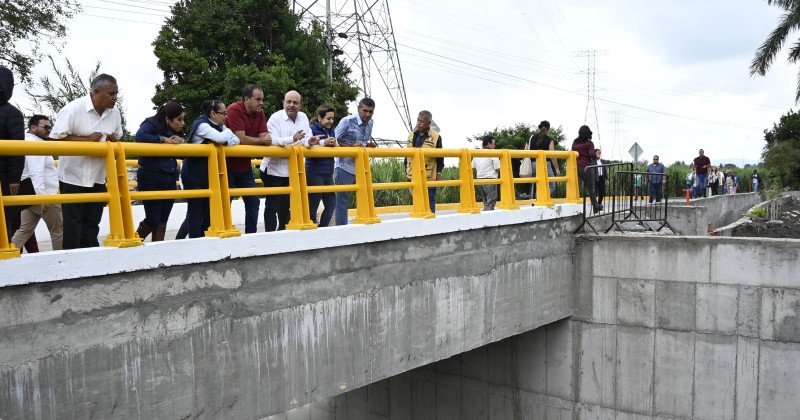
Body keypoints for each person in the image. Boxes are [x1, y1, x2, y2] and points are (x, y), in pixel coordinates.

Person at [49, 73, 123, 249]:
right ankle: (71, 263)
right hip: (73, 176)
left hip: (98, 176)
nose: (115, 98)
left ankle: (92, 260)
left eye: (116, 94)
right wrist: (85, 140)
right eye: (111, 94)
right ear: (96, 92)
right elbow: (54, 141)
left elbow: (119, 137)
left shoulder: (115, 113)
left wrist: (113, 141)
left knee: (92, 222)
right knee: (73, 224)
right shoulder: (73, 109)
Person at [261, 90, 320, 231]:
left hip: (292, 171)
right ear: (283, 103)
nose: (291, 105)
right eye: (288, 102)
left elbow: (306, 138)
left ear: (300, 105)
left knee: (286, 206)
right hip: (273, 170)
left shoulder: (303, 117)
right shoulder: (275, 118)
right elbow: (272, 140)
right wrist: (292, 139)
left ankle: (282, 231)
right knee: (272, 205)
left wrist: (310, 142)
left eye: (295, 102)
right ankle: (269, 236)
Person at [182, 100, 240, 238]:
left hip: (207, 176)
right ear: (213, 114)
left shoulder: (219, 125)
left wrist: (224, 139)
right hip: (193, 175)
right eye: (223, 113)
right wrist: (225, 139)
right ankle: (194, 242)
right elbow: (221, 138)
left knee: (209, 213)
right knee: (195, 212)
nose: (226, 117)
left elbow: (236, 140)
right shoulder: (201, 125)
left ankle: (202, 239)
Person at [134, 101, 186, 242]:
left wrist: (179, 141)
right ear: (167, 119)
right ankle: (134, 242)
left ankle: (159, 249)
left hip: (169, 176)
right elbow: (140, 136)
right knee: (153, 218)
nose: (182, 123)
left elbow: (183, 150)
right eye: (179, 119)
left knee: (163, 219)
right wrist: (163, 140)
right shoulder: (151, 123)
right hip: (150, 176)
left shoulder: (175, 130)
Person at [11, 115, 63, 251]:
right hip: (45, 195)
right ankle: (61, 264)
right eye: (45, 127)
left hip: (29, 195)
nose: (48, 130)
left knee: (24, 231)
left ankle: (7, 255)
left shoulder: (22, 140)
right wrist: (42, 197)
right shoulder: (36, 143)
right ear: (33, 127)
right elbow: (36, 172)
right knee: (58, 232)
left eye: (49, 127)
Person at [225, 84, 271, 234]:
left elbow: (264, 136)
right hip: (226, 166)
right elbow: (241, 139)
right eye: (258, 99)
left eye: (262, 99)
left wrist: (263, 139)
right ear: (246, 99)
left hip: (244, 166)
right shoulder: (234, 109)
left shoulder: (260, 113)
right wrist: (261, 140)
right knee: (225, 203)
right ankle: (224, 233)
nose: (261, 102)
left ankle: (251, 236)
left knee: (253, 201)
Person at [334, 98, 375, 226]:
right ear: (358, 109)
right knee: (342, 199)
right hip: (344, 165)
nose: (368, 114)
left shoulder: (370, 123)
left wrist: (368, 146)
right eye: (365, 111)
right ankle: (341, 228)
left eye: (371, 112)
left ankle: (364, 223)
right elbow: (334, 140)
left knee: (365, 195)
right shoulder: (347, 121)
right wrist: (351, 148)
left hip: (361, 166)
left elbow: (362, 142)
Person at [0, 65, 26, 242]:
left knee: (3, 218)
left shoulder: (13, 114)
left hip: (4, 177)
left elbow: (18, 149)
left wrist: (14, 178)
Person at [405, 110, 444, 213]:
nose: (418, 123)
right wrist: (406, 171)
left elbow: (440, 157)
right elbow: (407, 154)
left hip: (429, 176)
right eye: (418, 120)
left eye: (422, 121)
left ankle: (431, 224)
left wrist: (439, 173)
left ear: (429, 123)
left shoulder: (436, 137)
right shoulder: (411, 135)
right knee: (416, 203)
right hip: (412, 175)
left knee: (429, 203)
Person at [307, 104, 338, 227]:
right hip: (314, 172)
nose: (331, 121)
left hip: (328, 172)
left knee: (331, 204)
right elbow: (308, 144)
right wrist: (323, 142)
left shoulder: (331, 130)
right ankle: (312, 227)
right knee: (313, 204)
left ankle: (323, 228)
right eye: (328, 119)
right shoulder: (311, 129)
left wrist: (334, 144)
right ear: (320, 118)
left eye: (332, 118)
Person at [527, 120, 560, 197]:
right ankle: (541, 197)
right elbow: (552, 155)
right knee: (552, 185)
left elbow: (526, 150)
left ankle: (538, 197)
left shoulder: (531, 138)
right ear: (548, 129)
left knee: (539, 183)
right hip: (545, 164)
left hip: (533, 164)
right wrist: (557, 169)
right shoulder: (549, 140)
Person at [571, 125, 600, 213]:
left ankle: (573, 207)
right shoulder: (589, 143)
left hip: (576, 167)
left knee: (577, 187)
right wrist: (596, 156)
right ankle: (595, 207)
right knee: (591, 188)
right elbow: (591, 154)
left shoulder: (575, 142)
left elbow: (572, 152)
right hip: (586, 168)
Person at [472, 135, 500, 211]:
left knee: (485, 201)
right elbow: (497, 168)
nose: (494, 146)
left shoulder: (477, 153)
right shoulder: (492, 153)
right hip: (490, 179)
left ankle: (485, 214)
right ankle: (488, 219)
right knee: (491, 202)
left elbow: (473, 167)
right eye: (493, 144)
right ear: (489, 144)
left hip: (479, 180)